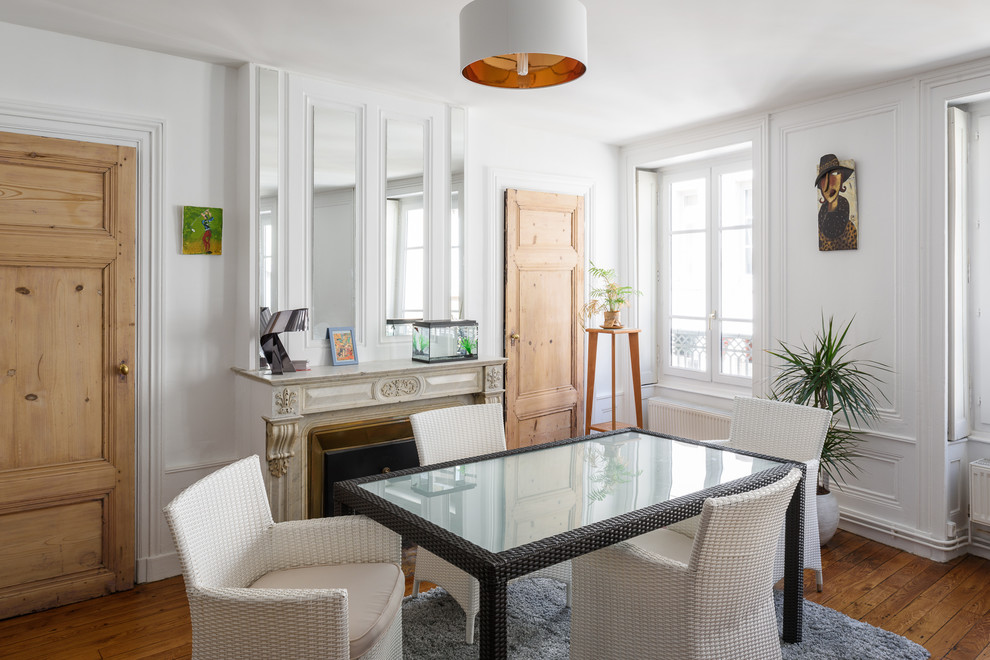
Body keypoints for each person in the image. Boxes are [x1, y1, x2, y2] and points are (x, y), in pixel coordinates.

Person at [815, 154, 857, 251]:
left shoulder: (850, 230)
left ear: (841, 179)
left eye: (834, 174)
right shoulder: (820, 228)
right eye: (823, 178)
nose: (829, 184)